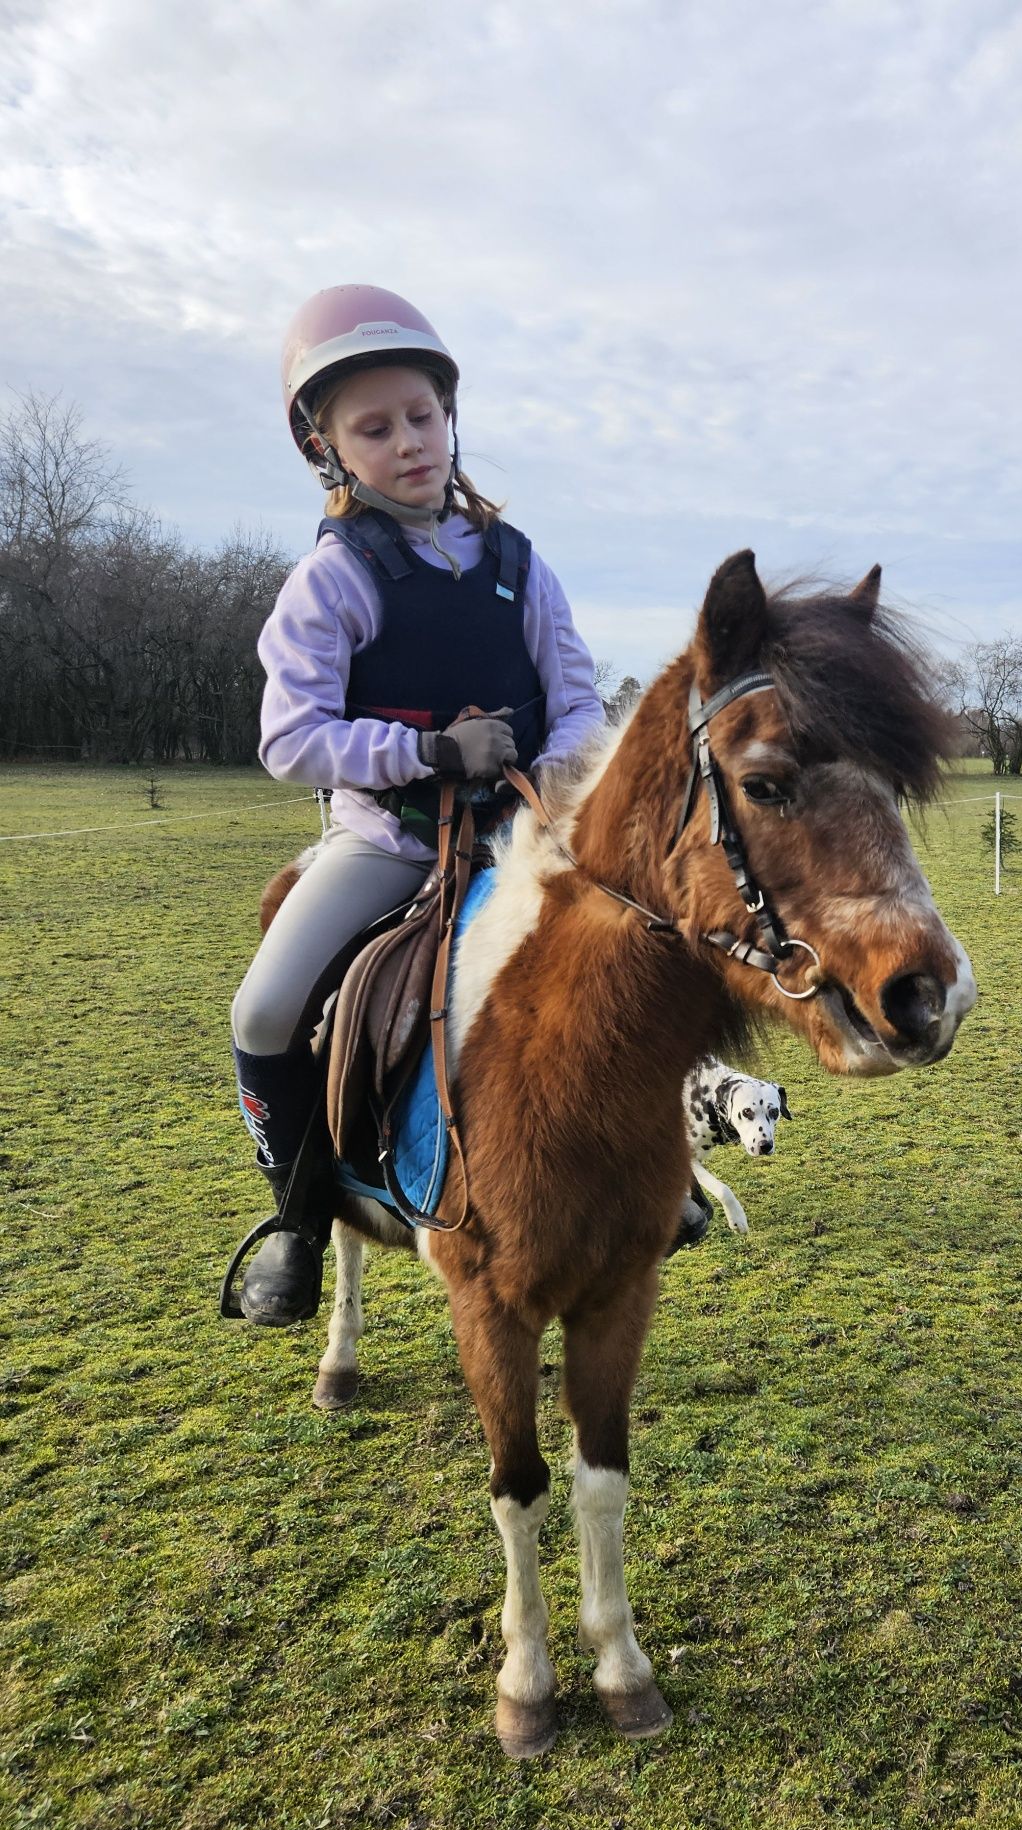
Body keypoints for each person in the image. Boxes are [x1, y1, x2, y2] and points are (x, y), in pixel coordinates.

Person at [228, 284, 608, 1326]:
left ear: (451, 415)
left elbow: (578, 698)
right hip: (389, 843)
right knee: (260, 1009)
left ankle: (647, 1178)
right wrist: (429, 751)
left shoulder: (520, 564)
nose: (409, 443)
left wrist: (552, 781)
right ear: (327, 447)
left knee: (650, 941)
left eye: (423, 417)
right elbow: (288, 735)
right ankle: (300, 1218)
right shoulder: (331, 579)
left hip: (523, 837)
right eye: (376, 427)